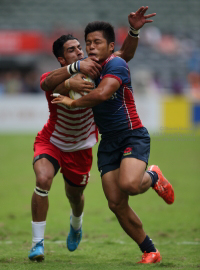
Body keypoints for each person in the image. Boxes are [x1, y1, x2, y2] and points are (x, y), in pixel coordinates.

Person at [28, 6, 156, 262]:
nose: (81, 51)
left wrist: (133, 30)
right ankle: (37, 244)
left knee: (75, 197)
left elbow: (123, 54)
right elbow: (45, 83)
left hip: (83, 146)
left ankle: (76, 223)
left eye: (82, 47)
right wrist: (72, 74)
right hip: (52, 141)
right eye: (73, 50)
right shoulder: (59, 77)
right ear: (63, 60)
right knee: (43, 180)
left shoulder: (100, 68)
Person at [52, 19, 175, 264]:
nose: (91, 47)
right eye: (88, 43)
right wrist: (66, 82)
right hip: (108, 142)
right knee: (116, 203)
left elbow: (103, 93)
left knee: (129, 184)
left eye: (97, 42)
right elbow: (50, 85)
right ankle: (151, 251)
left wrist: (72, 101)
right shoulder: (90, 67)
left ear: (109, 46)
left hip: (132, 134)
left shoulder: (116, 63)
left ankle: (153, 176)